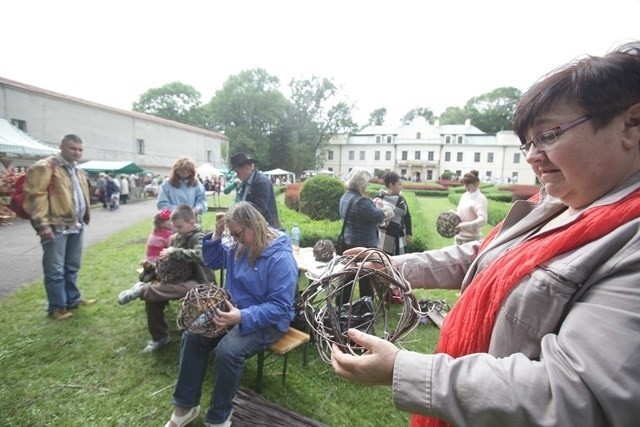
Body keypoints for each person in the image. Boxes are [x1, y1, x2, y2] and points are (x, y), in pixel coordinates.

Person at [330, 42, 640, 427]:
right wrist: (390, 265)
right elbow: (483, 256)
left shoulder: (630, 242)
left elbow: (575, 395)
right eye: (527, 143)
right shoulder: (563, 206)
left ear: (631, 124)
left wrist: (404, 371)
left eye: (549, 135)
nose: (530, 156)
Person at [164, 201, 297, 427]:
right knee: (193, 335)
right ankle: (185, 407)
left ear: (253, 225)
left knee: (228, 351)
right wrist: (216, 234)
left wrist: (242, 317)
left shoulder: (280, 258)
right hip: (233, 309)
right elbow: (213, 261)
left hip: (269, 320)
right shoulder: (240, 245)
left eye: (237, 234)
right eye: (231, 234)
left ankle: (219, 417)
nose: (234, 239)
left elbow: (281, 307)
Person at [118, 204, 214, 352]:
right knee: (153, 297)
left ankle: (142, 290)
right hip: (176, 279)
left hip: (198, 280)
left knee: (182, 289)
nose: (176, 231)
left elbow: (200, 255)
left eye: (180, 227)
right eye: (174, 227)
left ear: (192, 223)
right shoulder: (176, 237)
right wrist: (152, 267)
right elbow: (168, 264)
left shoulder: (198, 236)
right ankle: (160, 337)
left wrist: (175, 251)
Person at [23, 134, 96, 320]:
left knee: (72, 266)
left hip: (76, 225)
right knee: (55, 270)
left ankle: (73, 300)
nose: (77, 152)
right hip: (55, 226)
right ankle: (56, 307)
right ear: (61, 146)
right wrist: (42, 225)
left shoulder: (76, 170)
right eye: (73, 148)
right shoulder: (46, 167)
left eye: (80, 149)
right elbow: (35, 197)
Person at [338, 167, 392, 304]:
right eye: (367, 183)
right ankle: (365, 307)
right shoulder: (362, 201)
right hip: (364, 245)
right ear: (361, 184)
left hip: (348, 241)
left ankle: (341, 305)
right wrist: (380, 207)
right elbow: (378, 216)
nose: (367, 186)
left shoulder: (345, 197)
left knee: (347, 276)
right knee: (366, 278)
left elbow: (360, 214)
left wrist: (371, 205)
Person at [229, 152, 280, 228]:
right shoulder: (245, 183)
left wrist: (236, 214)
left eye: (237, 171)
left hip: (266, 229)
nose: (236, 174)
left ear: (247, 168)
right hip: (253, 228)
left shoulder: (262, 182)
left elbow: (259, 208)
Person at [377, 171, 412, 255]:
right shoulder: (379, 198)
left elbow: (407, 216)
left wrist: (408, 233)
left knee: (399, 260)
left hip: (400, 235)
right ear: (391, 185)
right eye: (399, 184)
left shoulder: (401, 199)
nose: (401, 186)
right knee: (385, 260)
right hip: (384, 236)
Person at [453, 170, 487, 245]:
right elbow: (460, 213)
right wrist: (453, 214)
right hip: (458, 237)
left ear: (476, 184)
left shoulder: (480, 198)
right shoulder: (464, 196)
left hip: (471, 240)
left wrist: (464, 226)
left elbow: (483, 220)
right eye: (465, 184)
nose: (465, 187)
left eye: (468, 185)